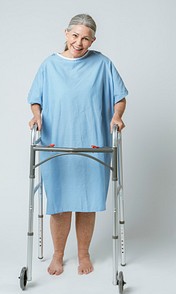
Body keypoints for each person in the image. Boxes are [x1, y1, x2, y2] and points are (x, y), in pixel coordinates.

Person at [27, 14, 128, 276]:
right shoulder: (49, 65)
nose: (79, 42)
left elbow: (119, 96)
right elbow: (35, 98)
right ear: (65, 34)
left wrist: (117, 116)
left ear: (93, 40)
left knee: (86, 202)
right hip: (56, 142)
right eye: (75, 36)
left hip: (92, 142)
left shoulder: (102, 64)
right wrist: (37, 115)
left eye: (85, 38)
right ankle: (58, 255)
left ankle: (84, 254)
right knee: (59, 202)